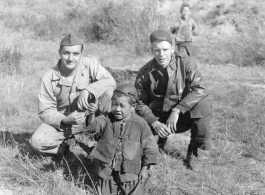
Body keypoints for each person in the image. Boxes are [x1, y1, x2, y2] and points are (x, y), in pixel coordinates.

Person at [29, 34, 116, 160]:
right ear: (59, 52)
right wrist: (65, 119)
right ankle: (66, 148)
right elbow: (45, 111)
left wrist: (88, 90)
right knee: (37, 142)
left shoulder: (90, 64)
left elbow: (110, 81)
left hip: (92, 116)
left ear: (81, 53)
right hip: (67, 122)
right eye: (66, 53)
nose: (71, 58)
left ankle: (107, 137)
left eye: (75, 54)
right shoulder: (48, 78)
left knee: (110, 93)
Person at [135, 30, 212, 171]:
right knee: (135, 122)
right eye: (157, 50)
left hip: (182, 116)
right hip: (159, 118)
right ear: (152, 50)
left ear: (172, 48)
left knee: (203, 105)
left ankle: (197, 152)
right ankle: (155, 144)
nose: (161, 54)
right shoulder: (144, 72)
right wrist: (154, 122)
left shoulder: (185, 63)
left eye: (165, 49)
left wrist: (178, 109)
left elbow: (200, 88)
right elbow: (138, 103)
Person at [87, 83, 158, 195]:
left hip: (130, 170)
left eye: (122, 106)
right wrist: (91, 114)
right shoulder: (106, 118)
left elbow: (151, 149)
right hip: (107, 170)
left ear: (133, 107)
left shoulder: (141, 124)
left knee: (138, 191)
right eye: (114, 104)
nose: (117, 109)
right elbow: (92, 128)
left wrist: (145, 169)